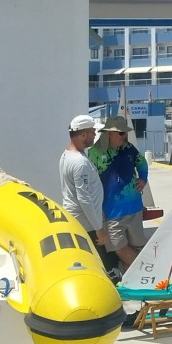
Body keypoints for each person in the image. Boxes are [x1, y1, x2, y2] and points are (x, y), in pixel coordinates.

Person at [59, 114, 121, 276]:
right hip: (87, 224)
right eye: (93, 132)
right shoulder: (80, 163)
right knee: (100, 267)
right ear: (83, 134)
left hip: (81, 220)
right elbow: (84, 198)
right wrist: (98, 229)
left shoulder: (66, 155)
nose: (95, 135)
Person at [89, 115, 148, 269]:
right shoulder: (95, 153)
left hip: (134, 208)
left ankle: (135, 277)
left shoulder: (128, 147)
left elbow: (142, 162)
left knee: (136, 246)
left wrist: (143, 179)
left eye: (125, 133)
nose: (125, 136)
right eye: (121, 133)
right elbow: (90, 183)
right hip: (112, 213)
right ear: (109, 133)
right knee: (118, 247)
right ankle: (143, 270)